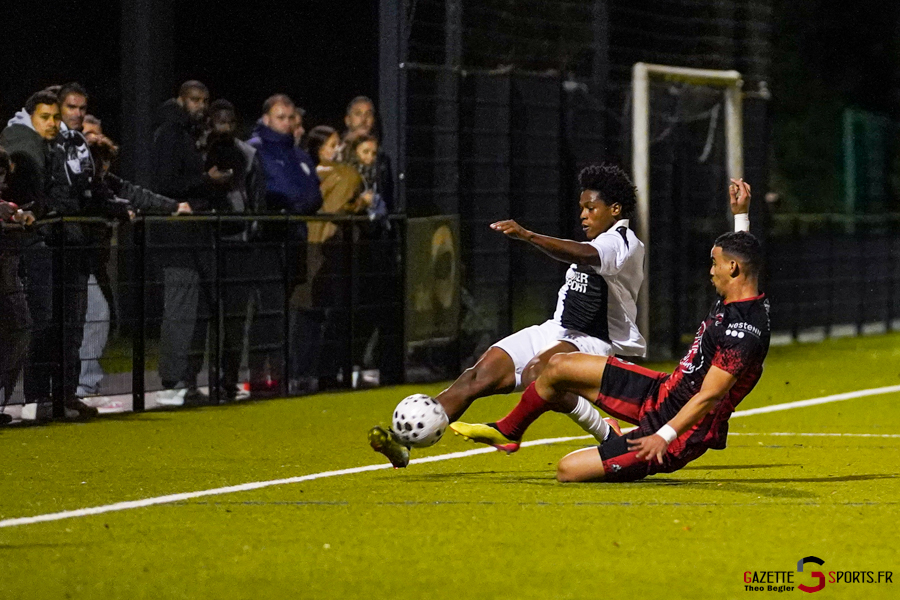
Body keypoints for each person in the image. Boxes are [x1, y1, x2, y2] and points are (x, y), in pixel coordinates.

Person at [451, 179, 769, 483]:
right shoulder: (739, 296)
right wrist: (741, 214)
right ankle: (509, 430)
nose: (710, 270)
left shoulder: (742, 330)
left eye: (715, 263)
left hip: (679, 429)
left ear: (732, 269)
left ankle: (619, 443)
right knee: (558, 366)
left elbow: (709, 395)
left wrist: (663, 436)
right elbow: (745, 260)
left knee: (568, 470)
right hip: (661, 391)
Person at [369, 163, 647, 467]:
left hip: (593, 339)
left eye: (591, 208)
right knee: (476, 376)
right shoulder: (598, 240)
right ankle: (402, 443)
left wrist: (528, 236)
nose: (583, 215)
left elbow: (583, 254)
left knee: (536, 373)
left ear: (616, 209)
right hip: (557, 330)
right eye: (581, 208)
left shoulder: (624, 243)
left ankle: (605, 433)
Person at [151, 80, 232, 406]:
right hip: (177, 237)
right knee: (180, 310)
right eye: (194, 99)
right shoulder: (170, 133)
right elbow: (165, 183)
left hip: (196, 234)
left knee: (197, 312)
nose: (200, 105)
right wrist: (206, 180)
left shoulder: (191, 135)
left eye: (204, 99)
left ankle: (186, 380)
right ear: (181, 100)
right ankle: (171, 382)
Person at [246, 93, 323, 396]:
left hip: (294, 239)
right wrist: (291, 205)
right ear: (266, 118)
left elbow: (313, 195)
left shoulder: (299, 155)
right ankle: (257, 376)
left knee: (285, 310)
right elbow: (270, 192)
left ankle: (278, 375)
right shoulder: (256, 149)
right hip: (266, 240)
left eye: (290, 118)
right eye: (280, 117)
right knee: (266, 310)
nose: (287, 123)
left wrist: (295, 206)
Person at [0, 146, 36, 424]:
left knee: (20, 330)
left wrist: (18, 214)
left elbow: (10, 209)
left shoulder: (6, 205)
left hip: (8, 280)